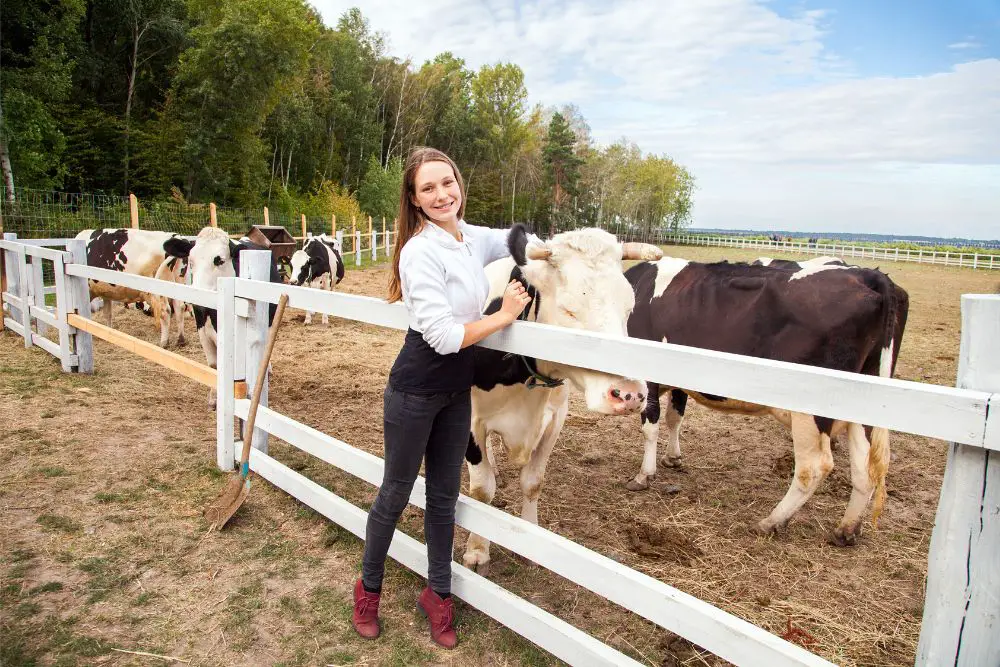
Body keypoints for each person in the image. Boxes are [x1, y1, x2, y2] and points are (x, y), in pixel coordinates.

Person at [351, 146, 533, 649]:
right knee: (394, 493)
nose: (440, 195)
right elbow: (443, 336)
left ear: (459, 184)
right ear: (413, 198)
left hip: (457, 391)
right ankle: (367, 591)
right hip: (415, 387)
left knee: (443, 498)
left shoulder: (470, 237)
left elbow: (517, 240)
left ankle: (439, 594)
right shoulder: (418, 250)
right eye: (427, 188)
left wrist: (570, 250)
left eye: (446, 183)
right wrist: (504, 315)